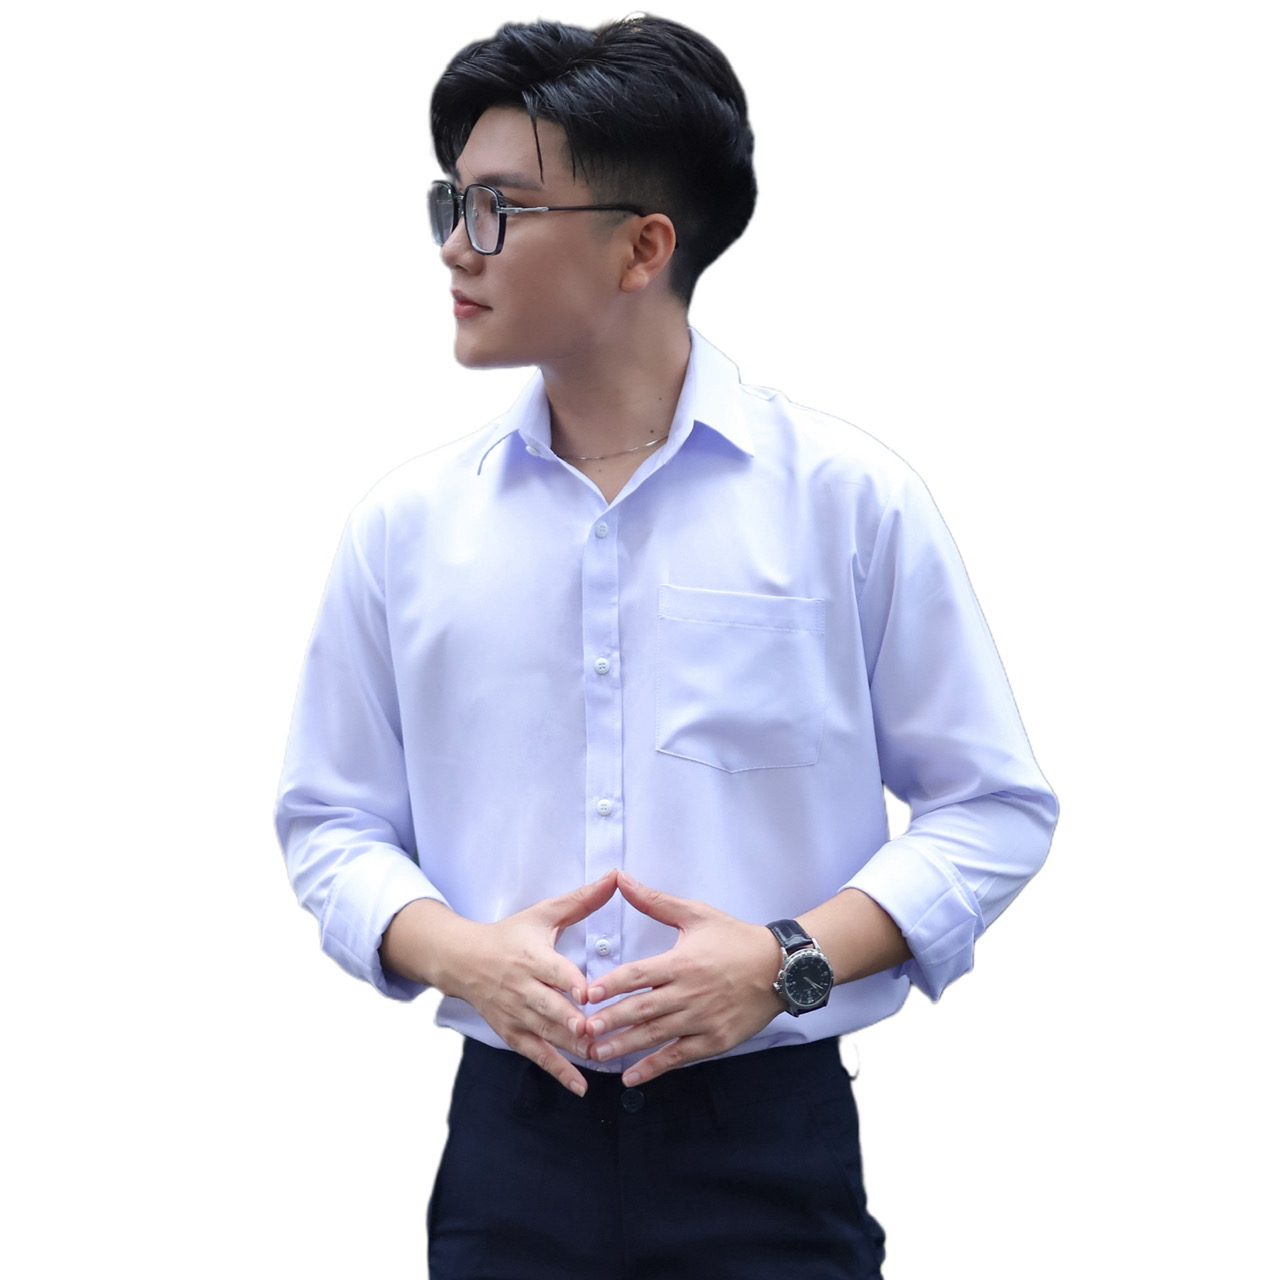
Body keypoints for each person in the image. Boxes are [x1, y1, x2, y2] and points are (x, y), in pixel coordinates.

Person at [276, 14, 1057, 1278]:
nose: (454, 246)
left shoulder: (844, 503)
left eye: (498, 208)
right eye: (450, 202)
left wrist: (786, 959)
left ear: (643, 246)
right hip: (509, 1141)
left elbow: (992, 807)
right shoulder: (404, 529)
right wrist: (457, 950)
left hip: (768, 1141)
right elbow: (329, 821)